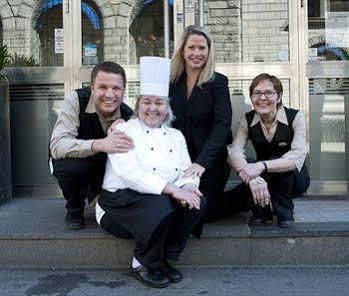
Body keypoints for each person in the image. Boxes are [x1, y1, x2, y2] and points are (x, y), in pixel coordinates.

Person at [96, 57, 206, 288]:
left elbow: (188, 170)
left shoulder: (176, 136)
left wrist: (188, 187)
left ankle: (167, 258)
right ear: (138, 105)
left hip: (159, 199)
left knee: (198, 201)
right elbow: (131, 175)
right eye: (147, 102)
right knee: (161, 205)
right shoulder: (125, 130)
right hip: (118, 204)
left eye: (159, 103)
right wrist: (174, 190)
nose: (153, 108)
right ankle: (144, 262)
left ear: (167, 107)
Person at [50, 61, 134, 230]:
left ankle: (99, 198)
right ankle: (75, 208)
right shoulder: (76, 100)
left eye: (116, 88)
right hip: (77, 163)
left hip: (103, 168)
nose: (109, 94)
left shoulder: (128, 116)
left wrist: (102, 192)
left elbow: (130, 165)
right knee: (69, 168)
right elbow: (57, 146)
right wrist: (101, 143)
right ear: (92, 89)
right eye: (102, 87)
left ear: (123, 91)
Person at [169, 25, 234, 221]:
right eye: (191, 48)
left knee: (201, 212)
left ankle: (245, 197)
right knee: (180, 208)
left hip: (209, 162)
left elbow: (222, 125)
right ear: (182, 50)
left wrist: (202, 162)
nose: (196, 53)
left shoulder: (219, 82)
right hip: (178, 161)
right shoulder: (171, 82)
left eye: (202, 48)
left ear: (209, 51)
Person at [228, 73, 310, 228]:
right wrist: (251, 174)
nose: (262, 98)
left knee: (278, 163)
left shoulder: (296, 117)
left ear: (279, 97)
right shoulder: (247, 119)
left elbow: (297, 157)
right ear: (251, 97)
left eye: (269, 93)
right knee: (248, 165)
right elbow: (234, 151)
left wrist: (262, 166)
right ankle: (261, 212)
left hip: (294, 179)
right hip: (264, 177)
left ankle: (284, 212)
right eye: (257, 93)